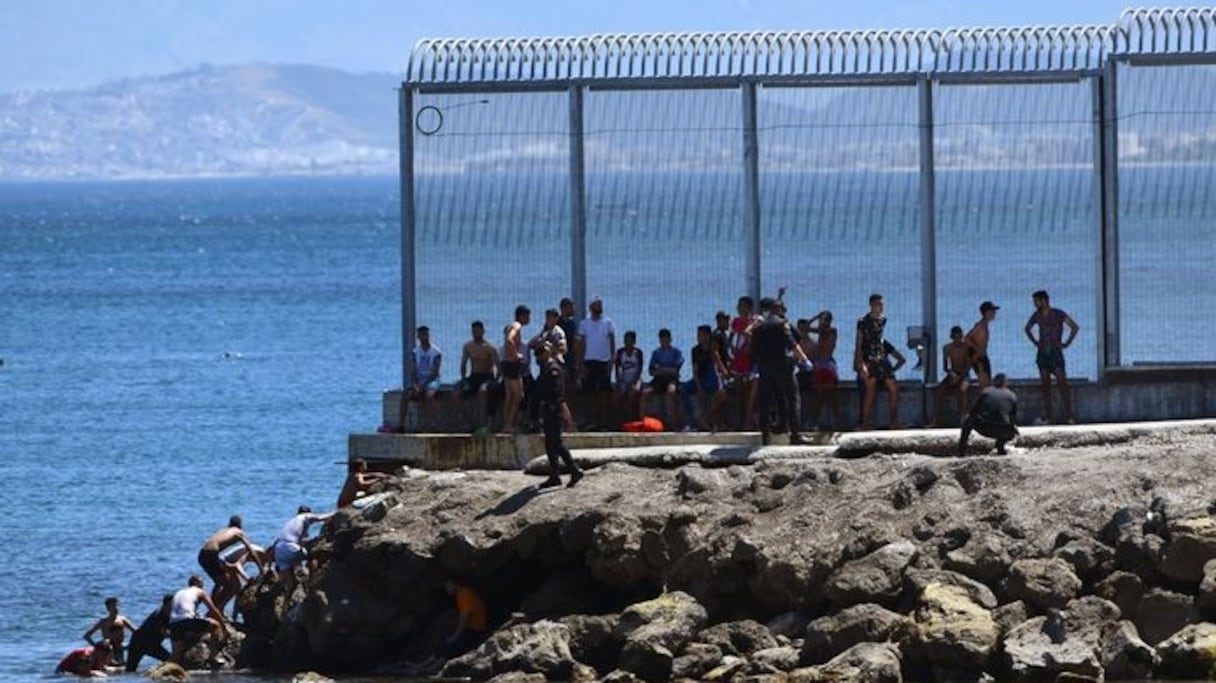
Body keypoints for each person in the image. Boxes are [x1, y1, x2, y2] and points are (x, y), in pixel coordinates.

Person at [748, 297, 814, 445]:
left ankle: (765, 436)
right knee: (793, 399)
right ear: (776, 309)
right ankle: (795, 435)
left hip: (765, 369)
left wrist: (760, 364)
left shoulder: (758, 328)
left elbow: (752, 351)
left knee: (765, 402)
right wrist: (804, 360)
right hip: (783, 367)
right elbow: (793, 344)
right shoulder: (782, 325)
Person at [1024, 289, 1080, 424]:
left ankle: (1069, 415)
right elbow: (1027, 329)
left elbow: (1074, 327)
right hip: (1043, 353)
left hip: (1055, 352)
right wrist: (1036, 342)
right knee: (1045, 385)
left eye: (1037, 301)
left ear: (1044, 300)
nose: (1035, 304)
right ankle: (1049, 416)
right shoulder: (1036, 316)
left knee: (1062, 383)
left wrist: (1066, 343)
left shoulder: (1058, 314)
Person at [534, 341, 583, 488]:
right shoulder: (545, 369)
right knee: (550, 443)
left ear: (547, 353)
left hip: (553, 410)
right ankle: (554, 475)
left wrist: (554, 408)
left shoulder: (553, 369)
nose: (538, 357)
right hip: (547, 410)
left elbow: (556, 393)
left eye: (540, 353)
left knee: (557, 442)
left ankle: (574, 469)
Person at [854, 294, 906, 430]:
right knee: (870, 389)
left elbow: (880, 338)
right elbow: (859, 343)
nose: (881, 307)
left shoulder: (883, 320)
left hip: (881, 357)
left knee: (893, 387)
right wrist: (861, 363)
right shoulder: (863, 321)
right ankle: (864, 423)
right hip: (869, 357)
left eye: (882, 304)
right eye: (878, 304)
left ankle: (893, 421)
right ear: (871, 305)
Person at [198, 515, 258, 618]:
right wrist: (260, 568)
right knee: (230, 586)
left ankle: (214, 608)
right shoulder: (239, 532)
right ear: (240, 525)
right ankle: (215, 611)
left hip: (202, 555)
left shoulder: (224, 530)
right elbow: (251, 550)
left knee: (218, 583)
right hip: (212, 554)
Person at [529, 308, 576, 432]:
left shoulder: (558, 332)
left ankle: (569, 425)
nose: (548, 320)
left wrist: (550, 349)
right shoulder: (545, 332)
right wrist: (541, 343)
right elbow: (531, 344)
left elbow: (563, 348)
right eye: (547, 317)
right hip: (544, 369)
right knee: (538, 396)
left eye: (550, 317)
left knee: (559, 399)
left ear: (556, 318)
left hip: (555, 368)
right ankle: (536, 423)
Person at [273, 505, 336, 597]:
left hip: (279, 550)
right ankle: (312, 582)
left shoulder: (291, 522)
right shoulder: (305, 516)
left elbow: (298, 540)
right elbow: (322, 517)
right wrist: (336, 511)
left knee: (291, 584)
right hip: (290, 547)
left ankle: (285, 604)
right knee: (313, 555)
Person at [168, 575, 229, 665]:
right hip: (186, 621)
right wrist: (223, 626)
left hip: (173, 623)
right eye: (201, 583)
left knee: (177, 653)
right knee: (216, 626)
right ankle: (213, 657)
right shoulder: (200, 591)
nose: (203, 586)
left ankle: (163, 670)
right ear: (196, 583)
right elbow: (213, 610)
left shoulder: (180, 592)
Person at [577, 296, 616, 430]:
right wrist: (580, 363)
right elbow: (581, 344)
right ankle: (591, 421)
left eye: (600, 305)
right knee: (590, 393)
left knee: (604, 393)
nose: (598, 307)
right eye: (596, 305)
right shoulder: (584, 324)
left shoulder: (608, 323)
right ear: (591, 307)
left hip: (604, 362)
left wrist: (612, 360)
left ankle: (605, 422)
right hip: (589, 361)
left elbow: (612, 342)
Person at [959, 373, 1020, 455]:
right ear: (1006, 383)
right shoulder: (1012, 396)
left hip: (987, 428)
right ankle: (1000, 447)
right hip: (1005, 431)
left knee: (968, 420)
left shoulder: (986, 392)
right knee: (1008, 427)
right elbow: (1013, 418)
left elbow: (974, 411)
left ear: (993, 382)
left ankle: (961, 449)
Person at [683, 324, 728, 431]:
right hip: (700, 379)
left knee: (720, 395)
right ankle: (691, 422)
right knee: (684, 389)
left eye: (701, 335)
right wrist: (699, 388)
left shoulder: (715, 350)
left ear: (708, 336)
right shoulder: (695, 350)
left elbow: (721, 370)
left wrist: (716, 355)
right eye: (698, 335)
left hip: (713, 380)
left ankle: (708, 419)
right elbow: (695, 371)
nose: (699, 338)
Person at [457, 320, 498, 431]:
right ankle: (469, 423)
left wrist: (495, 380)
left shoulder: (490, 348)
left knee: (482, 392)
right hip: (474, 376)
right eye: (474, 331)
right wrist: (464, 380)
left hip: (487, 377)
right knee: (456, 393)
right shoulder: (468, 346)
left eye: (478, 331)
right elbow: (463, 364)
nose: (476, 333)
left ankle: (483, 424)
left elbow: (497, 366)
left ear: (483, 331)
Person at [930, 326, 972, 427]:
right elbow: (945, 366)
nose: (957, 340)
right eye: (955, 337)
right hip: (952, 374)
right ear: (951, 337)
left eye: (959, 337)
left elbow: (968, 366)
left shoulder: (967, 347)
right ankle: (934, 420)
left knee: (962, 390)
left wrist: (959, 377)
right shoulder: (947, 348)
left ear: (962, 336)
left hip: (964, 375)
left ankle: (963, 418)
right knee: (939, 391)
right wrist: (951, 374)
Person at [806, 311, 840, 431]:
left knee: (832, 395)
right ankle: (813, 421)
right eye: (821, 320)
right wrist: (816, 316)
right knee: (819, 395)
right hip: (819, 365)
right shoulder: (820, 332)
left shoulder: (832, 331)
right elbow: (805, 327)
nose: (822, 322)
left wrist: (819, 319)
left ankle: (837, 422)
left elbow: (815, 329)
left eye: (825, 320)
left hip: (828, 365)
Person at [643, 328, 685, 429]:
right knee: (645, 393)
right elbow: (651, 371)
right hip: (658, 380)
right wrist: (666, 369)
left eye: (666, 340)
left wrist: (661, 368)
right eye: (661, 340)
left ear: (670, 339)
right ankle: (643, 422)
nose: (663, 342)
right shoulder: (656, 353)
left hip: (671, 380)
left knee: (671, 392)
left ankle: (673, 424)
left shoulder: (676, 352)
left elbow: (675, 370)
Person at [729, 296, 760, 428]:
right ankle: (739, 421)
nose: (738, 308)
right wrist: (732, 348)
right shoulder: (736, 321)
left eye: (741, 305)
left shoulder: (756, 321)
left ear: (748, 307)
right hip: (738, 360)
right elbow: (732, 337)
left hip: (751, 361)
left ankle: (748, 421)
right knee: (738, 391)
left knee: (750, 391)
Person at [499, 305, 530, 434]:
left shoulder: (511, 325)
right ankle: (509, 424)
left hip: (506, 364)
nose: (529, 319)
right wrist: (516, 354)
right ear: (522, 316)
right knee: (518, 395)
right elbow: (510, 339)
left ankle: (506, 424)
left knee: (509, 396)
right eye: (527, 316)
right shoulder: (516, 326)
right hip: (512, 365)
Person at [405, 325, 443, 431]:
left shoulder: (436, 352)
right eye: (421, 334)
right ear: (418, 336)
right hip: (419, 381)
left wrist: (423, 385)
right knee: (406, 395)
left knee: (429, 395)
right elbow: (413, 371)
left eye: (425, 334)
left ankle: (433, 423)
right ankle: (401, 425)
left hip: (432, 380)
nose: (424, 337)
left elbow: (435, 373)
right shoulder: (415, 352)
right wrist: (415, 385)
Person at [124, 594, 173, 673]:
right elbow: (165, 633)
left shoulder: (169, 614)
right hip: (139, 643)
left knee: (171, 661)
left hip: (152, 643)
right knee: (130, 670)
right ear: (164, 605)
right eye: (170, 605)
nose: (172, 608)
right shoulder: (159, 616)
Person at [82, 597, 135, 667]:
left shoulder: (122, 619)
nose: (116, 608)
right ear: (108, 608)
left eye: (117, 605)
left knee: (121, 665)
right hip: (108, 648)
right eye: (113, 606)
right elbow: (87, 636)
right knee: (110, 666)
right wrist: (97, 647)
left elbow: (136, 632)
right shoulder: (103, 622)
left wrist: (130, 645)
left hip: (119, 647)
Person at [443, 580, 488, 655]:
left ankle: (430, 665)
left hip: (475, 630)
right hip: (476, 627)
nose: (446, 590)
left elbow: (465, 617)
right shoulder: (465, 591)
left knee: (450, 648)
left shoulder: (463, 594)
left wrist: (454, 636)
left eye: (447, 586)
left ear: (455, 584)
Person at [965, 301, 1000, 388]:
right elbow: (967, 338)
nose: (995, 313)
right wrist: (977, 350)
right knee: (984, 385)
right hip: (978, 358)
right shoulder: (980, 325)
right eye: (993, 311)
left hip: (982, 357)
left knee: (987, 384)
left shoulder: (985, 325)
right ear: (987, 312)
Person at [614, 331, 644, 422]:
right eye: (626, 341)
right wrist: (618, 381)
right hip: (624, 378)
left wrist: (634, 382)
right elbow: (617, 368)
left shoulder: (638, 352)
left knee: (633, 392)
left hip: (635, 378)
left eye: (630, 341)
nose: (628, 344)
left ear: (634, 342)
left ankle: (632, 417)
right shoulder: (620, 352)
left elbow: (640, 368)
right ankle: (618, 419)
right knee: (617, 394)